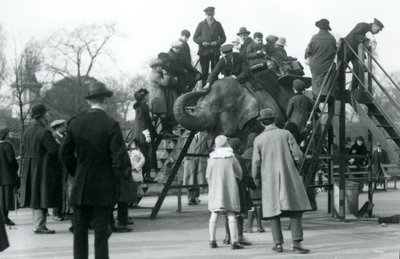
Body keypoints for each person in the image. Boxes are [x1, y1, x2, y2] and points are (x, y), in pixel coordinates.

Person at [60, 81, 131, 259]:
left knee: (80, 233)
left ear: (89, 101)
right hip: (103, 187)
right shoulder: (111, 124)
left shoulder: (75, 124)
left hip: (81, 186)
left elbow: (64, 154)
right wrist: (114, 179)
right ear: (106, 100)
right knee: (101, 234)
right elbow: (119, 159)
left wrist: (77, 171)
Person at [252, 108, 311, 254]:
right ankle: (296, 242)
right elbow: (298, 155)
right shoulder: (286, 134)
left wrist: (257, 179)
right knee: (296, 209)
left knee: (273, 211)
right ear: (275, 120)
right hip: (288, 176)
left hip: (269, 180)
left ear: (262, 123)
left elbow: (256, 164)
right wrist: (295, 164)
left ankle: (278, 244)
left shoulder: (258, 139)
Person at [20, 103, 61, 234]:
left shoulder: (27, 131)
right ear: (42, 116)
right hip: (42, 167)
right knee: (41, 194)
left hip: (30, 166)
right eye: (47, 113)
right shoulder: (44, 131)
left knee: (35, 194)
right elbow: (54, 150)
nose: (48, 115)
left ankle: (38, 224)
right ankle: (39, 225)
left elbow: (23, 149)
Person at [206, 135, 243, 250]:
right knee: (231, 214)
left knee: (214, 213)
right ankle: (234, 241)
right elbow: (239, 173)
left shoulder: (211, 159)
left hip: (215, 189)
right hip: (229, 188)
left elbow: (207, 176)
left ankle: (212, 240)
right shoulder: (231, 158)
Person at [344, 18, 384, 90]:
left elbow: (364, 43)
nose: (377, 31)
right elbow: (353, 35)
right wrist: (365, 39)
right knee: (342, 67)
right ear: (374, 25)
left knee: (359, 69)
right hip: (347, 49)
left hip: (356, 52)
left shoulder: (370, 33)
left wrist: (369, 45)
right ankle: (336, 87)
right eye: (377, 29)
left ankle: (353, 89)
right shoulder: (363, 26)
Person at [305, 19, 337, 101]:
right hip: (327, 65)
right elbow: (334, 52)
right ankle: (326, 94)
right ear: (327, 27)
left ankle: (316, 95)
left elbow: (309, 51)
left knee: (316, 79)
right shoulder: (332, 38)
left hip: (315, 65)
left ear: (319, 27)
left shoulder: (314, 38)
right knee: (330, 73)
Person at [193, 6, 226, 86]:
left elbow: (223, 38)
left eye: (211, 14)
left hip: (215, 52)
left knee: (215, 71)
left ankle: (215, 88)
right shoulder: (201, 24)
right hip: (204, 52)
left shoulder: (218, 24)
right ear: (206, 14)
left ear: (214, 14)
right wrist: (202, 42)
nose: (210, 16)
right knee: (204, 72)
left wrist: (217, 42)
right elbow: (195, 37)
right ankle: (205, 89)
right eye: (208, 15)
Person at [132, 88, 158, 182]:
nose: (148, 96)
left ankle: (146, 175)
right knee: (145, 155)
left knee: (147, 154)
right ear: (143, 97)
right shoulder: (140, 107)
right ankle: (145, 176)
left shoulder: (143, 106)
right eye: (146, 95)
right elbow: (142, 121)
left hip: (143, 134)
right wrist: (146, 134)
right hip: (142, 135)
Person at [149, 58, 178, 138]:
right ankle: (164, 132)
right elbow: (165, 83)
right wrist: (165, 74)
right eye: (159, 66)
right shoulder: (156, 75)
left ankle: (156, 132)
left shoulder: (153, 74)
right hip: (158, 97)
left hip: (155, 96)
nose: (161, 68)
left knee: (156, 115)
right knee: (163, 114)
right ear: (155, 67)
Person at [241, 133, 265, 233]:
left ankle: (249, 226)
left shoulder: (247, 153)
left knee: (251, 204)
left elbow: (244, 170)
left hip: (251, 181)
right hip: (260, 179)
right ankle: (259, 226)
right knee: (259, 204)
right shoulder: (261, 150)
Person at [183, 132, 209, 205]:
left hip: (200, 160)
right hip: (190, 159)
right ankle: (190, 198)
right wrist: (185, 160)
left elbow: (207, 149)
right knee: (190, 180)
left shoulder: (204, 136)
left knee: (197, 180)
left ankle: (195, 197)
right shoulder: (187, 136)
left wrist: (205, 159)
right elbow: (183, 149)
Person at [0, 127, 19, 226]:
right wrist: (16, 168)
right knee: (6, 199)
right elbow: (12, 160)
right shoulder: (8, 145)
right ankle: (5, 218)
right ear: (6, 135)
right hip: (6, 177)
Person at [285, 79, 314, 144]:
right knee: (302, 138)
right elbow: (313, 106)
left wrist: (288, 118)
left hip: (293, 123)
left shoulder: (292, 99)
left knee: (294, 139)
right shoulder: (307, 99)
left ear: (293, 88)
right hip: (304, 121)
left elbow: (288, 113)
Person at [50, 119, 68, 221]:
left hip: (64, 166)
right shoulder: (54, 137)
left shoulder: (63, 137)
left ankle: (62, 211)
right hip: (57, 166)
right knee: (57, 189)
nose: (64, 128)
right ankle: (56, 213)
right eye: (62, 126)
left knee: (63, 189)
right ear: (57, 128)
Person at [127, 139, 145, 207]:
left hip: (135, 172)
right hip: (128, 172)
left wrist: (136, 167)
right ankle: (129, 202)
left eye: (134, 143)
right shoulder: (127, 152)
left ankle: (134, 202)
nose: (132, 144)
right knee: (129, 189)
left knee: (135, 189)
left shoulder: (138, 152)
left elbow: (143, 160)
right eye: (131, 143)